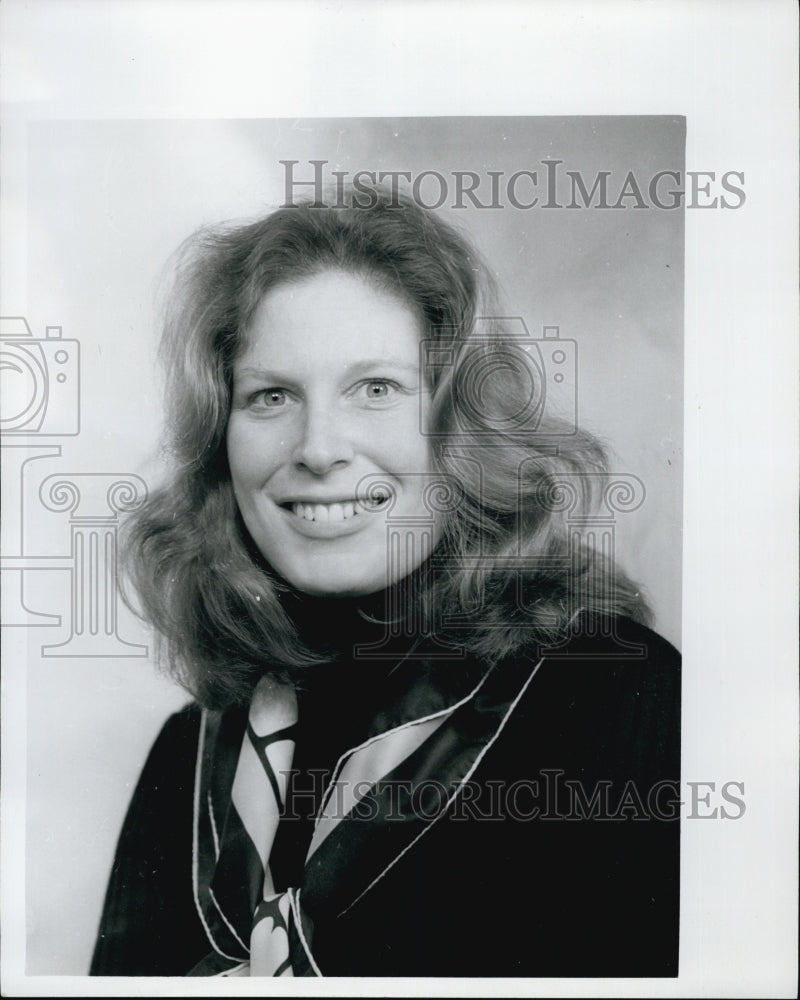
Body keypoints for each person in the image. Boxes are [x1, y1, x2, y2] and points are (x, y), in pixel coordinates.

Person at [90, 189, 680, 978]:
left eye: (376, 388)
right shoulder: (187, 760)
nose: (319, 448)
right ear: (219, 443)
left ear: (463, 424)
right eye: (271, 396)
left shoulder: (621, 700)